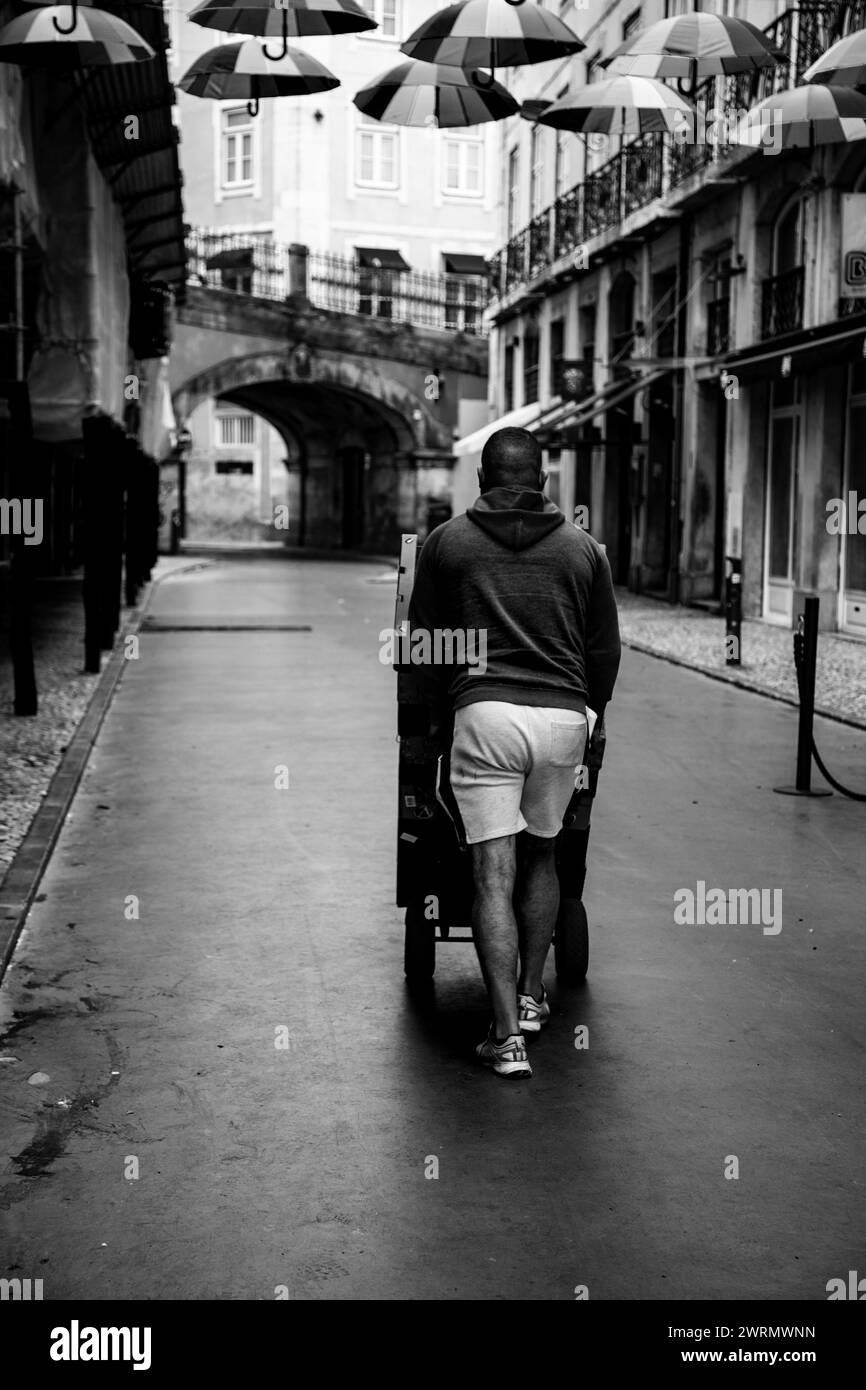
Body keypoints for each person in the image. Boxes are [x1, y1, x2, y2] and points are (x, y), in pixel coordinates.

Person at [407, 426, 621, 1079]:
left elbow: (424, 645)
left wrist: (433, 724)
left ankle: (505, 1039)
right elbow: (603, 652)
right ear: (544, 480)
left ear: (482, 480)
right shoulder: (585, 550)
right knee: (544, 855)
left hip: (485, 715)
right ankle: (532, 997)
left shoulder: (446, 543)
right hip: (562, 719)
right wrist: (592, 716)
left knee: (491, 873)